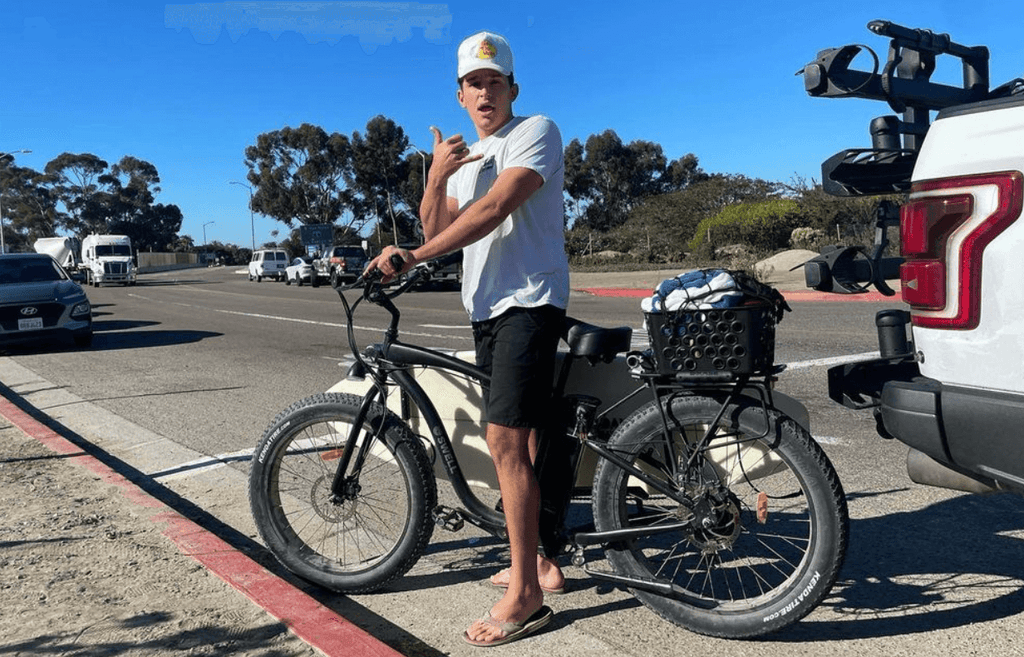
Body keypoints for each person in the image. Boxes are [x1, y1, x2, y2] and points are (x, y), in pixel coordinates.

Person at [366, 30, 568, 647]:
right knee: (526, 437)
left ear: (513, 88)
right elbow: (441, 223)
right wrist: (435, 177)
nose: (485, 93)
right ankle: (539, 563)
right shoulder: (462, 160)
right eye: (474, 84)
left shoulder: (537, 131)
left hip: (529, 301)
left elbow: (498, 208)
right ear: (460, 95)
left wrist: (413, 256)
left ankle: (526, 596)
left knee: (504, 438)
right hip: (485, 308)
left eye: (495, 82)